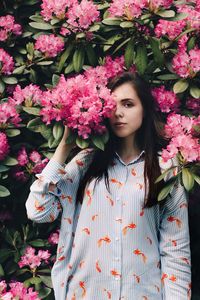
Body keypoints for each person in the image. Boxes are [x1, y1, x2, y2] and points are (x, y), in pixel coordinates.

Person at [26, 72, 191, 300]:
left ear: (145, 109)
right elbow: (38, 211)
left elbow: (175, 252)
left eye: (128, 104)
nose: (118, 113)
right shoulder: (86, 163)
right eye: (112, 105)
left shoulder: (165, 169)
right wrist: (64, 146)